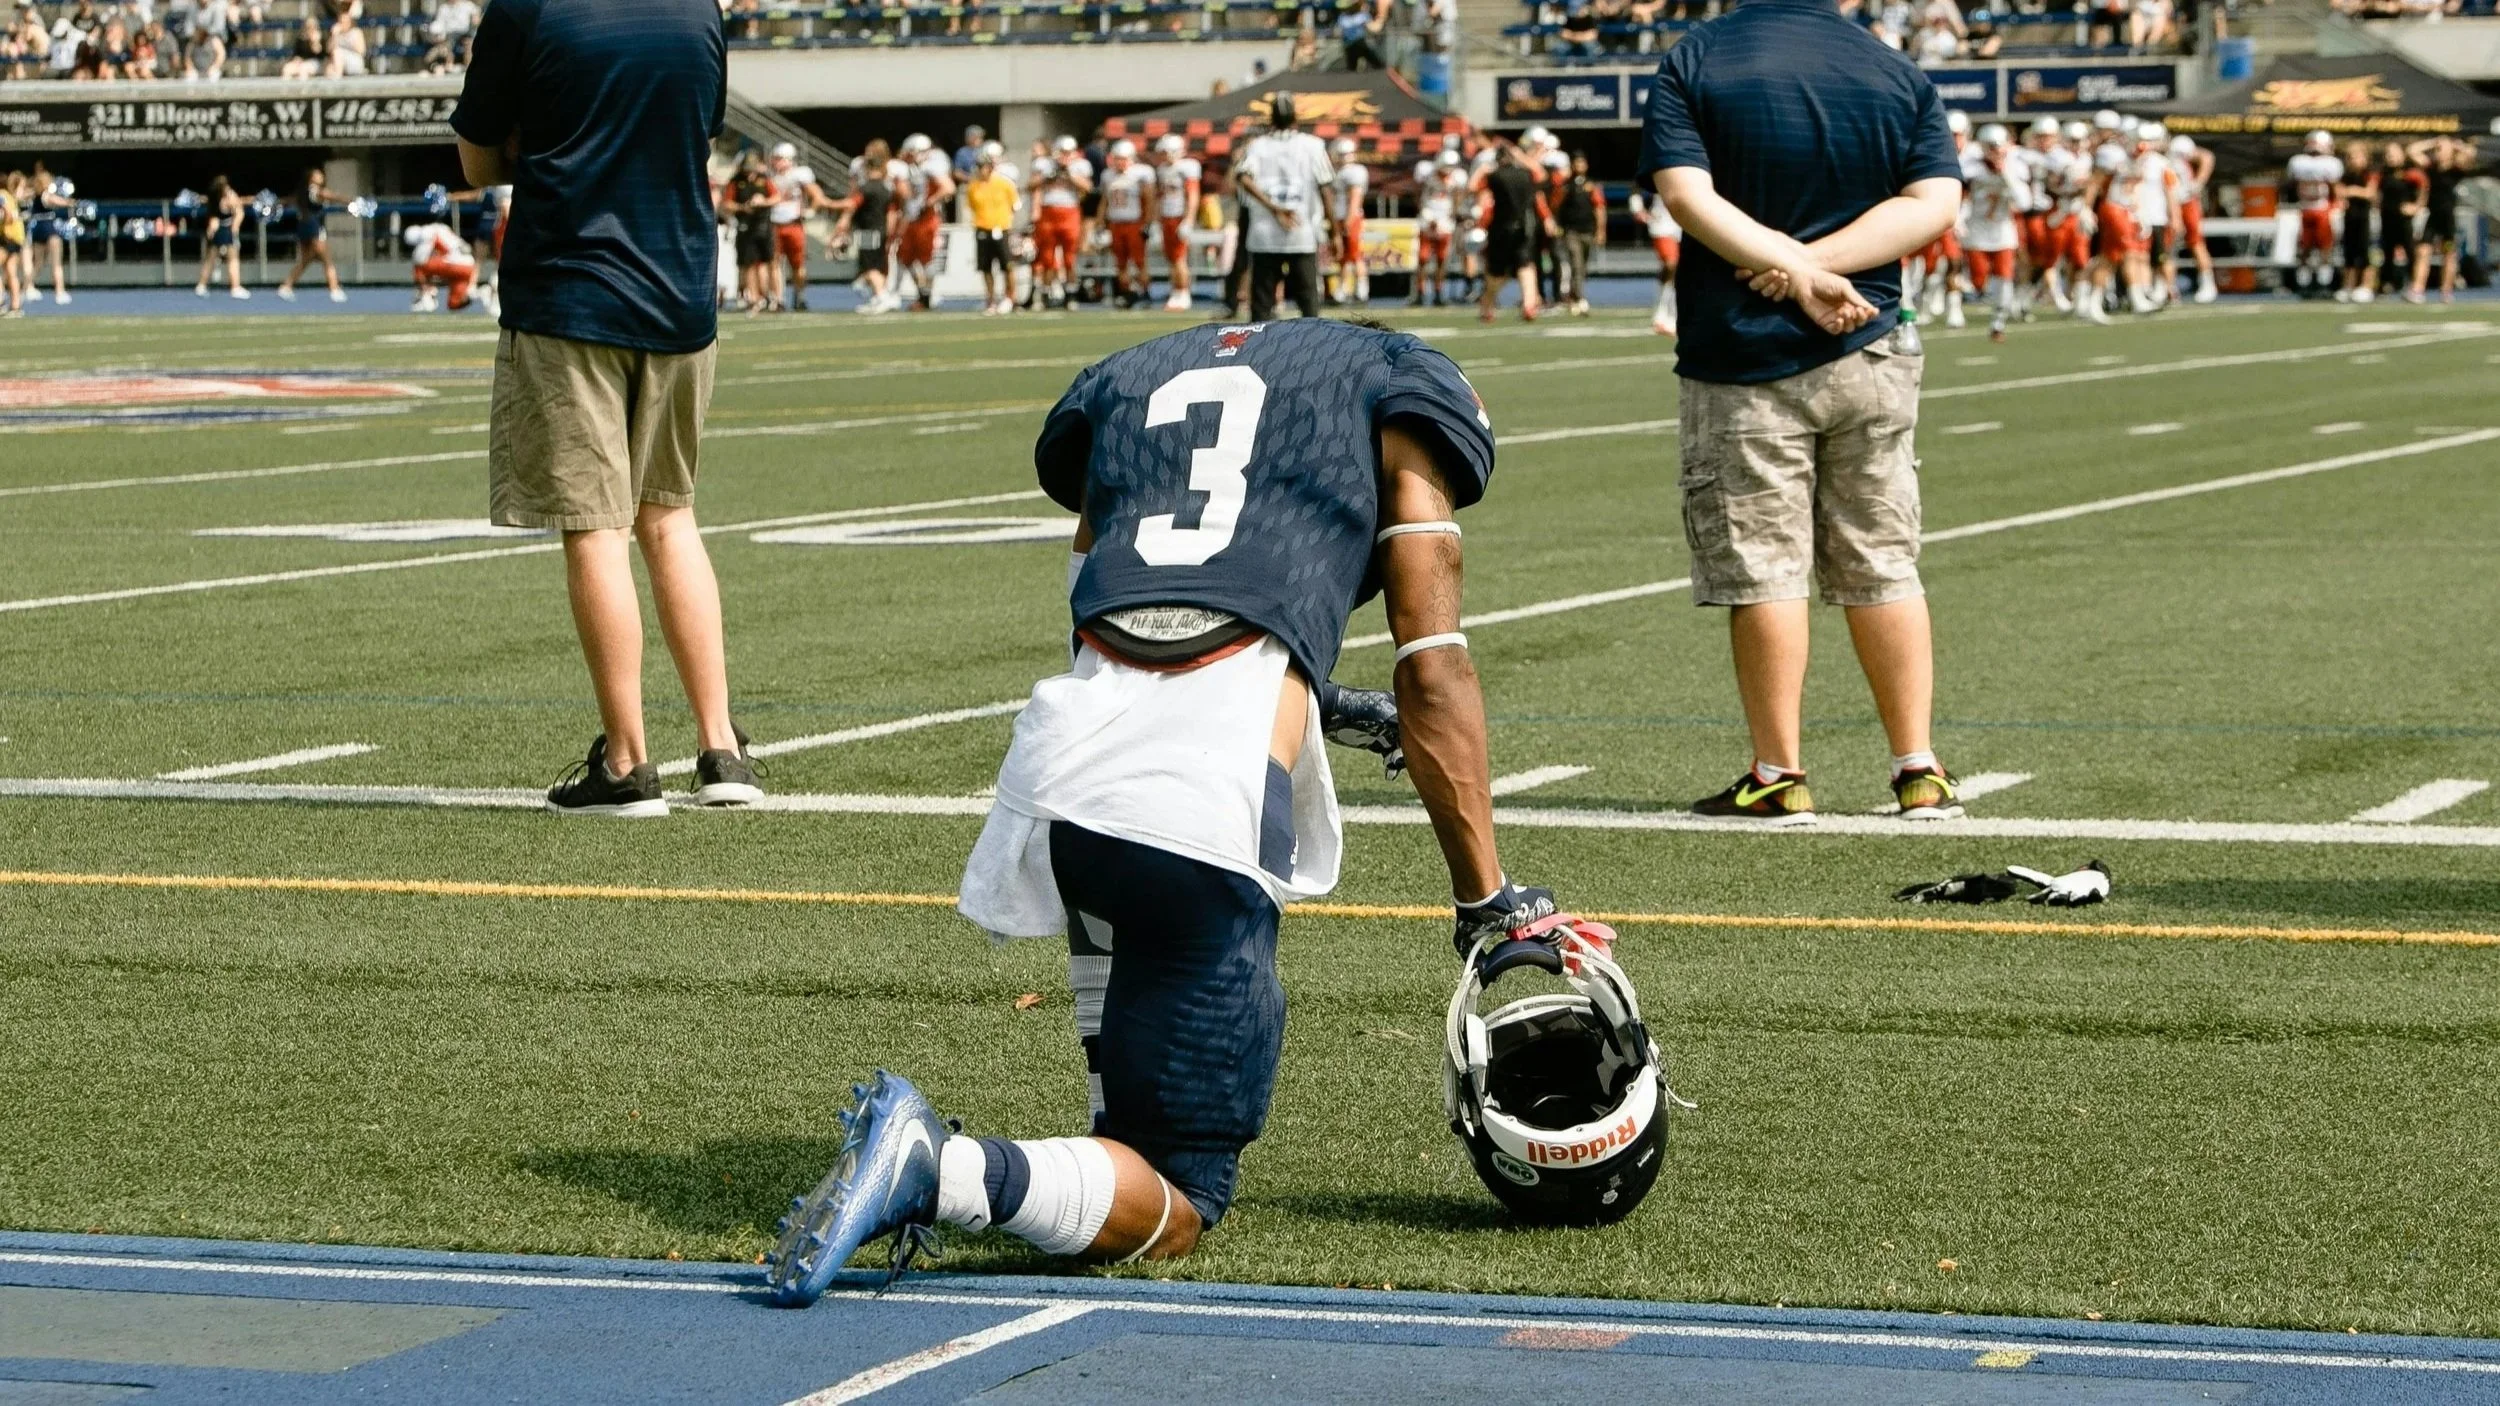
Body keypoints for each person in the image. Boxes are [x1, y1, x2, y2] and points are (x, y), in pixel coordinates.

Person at [764, 315, 1606, 1301]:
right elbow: (1433, 667)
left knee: (1123, 1136)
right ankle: (937, 1168)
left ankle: (1047, 1173)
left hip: (1066, 783)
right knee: (1183, 1194)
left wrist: (1319, 696)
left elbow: (1120, 602)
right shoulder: (1392, 382)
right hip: (1196, 823)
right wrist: (1486, 897)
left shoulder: (1130, 379)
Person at [1640, 0, 1968, 827]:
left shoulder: (1696, 58)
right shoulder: (1894, 69)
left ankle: (1778, 774)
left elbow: (1686, 197)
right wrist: (1818, 269)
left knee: (1765, 567)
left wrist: (1792, 269)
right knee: (1883, 559)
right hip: (1872, 342)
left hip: (1742, 354)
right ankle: (1918, 767)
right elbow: (1934, 203)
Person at [453, 0, 761, 816]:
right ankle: (723, 749)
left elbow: (476, 161)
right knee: (672, 516)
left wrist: (542, 141)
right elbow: (694, 136)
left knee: (596, 526)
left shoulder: (528, 7)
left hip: (571, 292)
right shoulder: (698, 8)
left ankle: (626, 762)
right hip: (680, 289)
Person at [1232, 90, 1333, 320]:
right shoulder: (1312, 145)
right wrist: (1335, 232)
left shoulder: (1258, 146)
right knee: (1308, 303)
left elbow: (1243, 177)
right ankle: (1313, 343)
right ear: (1296, 118)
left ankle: (1259, 345)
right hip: (1301, 232)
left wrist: (1274, 208)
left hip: (1264, 234)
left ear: (1271, 119)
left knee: (1261, 308)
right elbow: (1325, 189)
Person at [1474, 137, 1548, 323]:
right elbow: (1541, 174)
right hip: (1524, 227)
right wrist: (1522, 156)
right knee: (1526, 266)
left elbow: (1472, 187)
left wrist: (1481, 170)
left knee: (1496, 271)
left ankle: (1487, 306)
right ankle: (1529, 304)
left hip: (1500, 228)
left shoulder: (1494, 176)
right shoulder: (1525, 174)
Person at [834, 138, 897, 315]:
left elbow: (851, 204)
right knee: (877, 265)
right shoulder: (886, 188)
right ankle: (879, 297)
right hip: (881, 229)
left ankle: (882, 296)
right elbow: (891, 212)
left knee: (869, 267)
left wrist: (827, 203)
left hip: (868, 230)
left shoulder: (865, 188)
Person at [765, 142, 829, 312]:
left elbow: (817, 195)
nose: (775, 162)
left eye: (779, 158)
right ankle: (778, 299)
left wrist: (811, 211)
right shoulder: (770, 176)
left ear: (789, 159)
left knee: (798, 265)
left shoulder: (799, 174)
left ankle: (800, 296)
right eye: (775, 158)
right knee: (774, 263)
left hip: (794, 224)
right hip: (774, 224)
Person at [893, 133, 953, 312]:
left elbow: (948, 188)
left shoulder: (931, 165)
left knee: (926, 259)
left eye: (910, 152)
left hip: (926, 219)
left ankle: (927, 297)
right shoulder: (912, 168)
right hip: (913, 218)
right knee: (905, 257)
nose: (906, 155)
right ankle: (923, 294)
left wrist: (929, 202)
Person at [1029, 136, 1089, 310]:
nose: (1064, 156)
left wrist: (1069, 174)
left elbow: (1087, 187)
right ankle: (1045, 293)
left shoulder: (1080, 166)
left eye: (1067, 153)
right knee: (1047, 257)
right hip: (1048, 213)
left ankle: (1071, 294)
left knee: (1070, 258)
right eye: (1062, 152)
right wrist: (1047, 177)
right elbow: (1030, 185)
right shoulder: (1044, 165)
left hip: (1070, 213)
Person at [2408, 136, 2470, 304]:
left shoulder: (2456, 170)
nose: (2438, 152)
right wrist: (2432, 142)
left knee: (2448, 254)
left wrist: (2456, 145)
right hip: (2432, 218)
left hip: (2447, 220)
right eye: (2437, 149)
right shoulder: (2432, 168)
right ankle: (2417, 289)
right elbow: (2412, 151)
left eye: (2441, 149)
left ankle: (2446, 291)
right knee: (2423, 251)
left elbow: (2470, 154)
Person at [274, 166, 346, 303]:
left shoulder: (302, 192)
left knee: (305, 260)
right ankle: (334, 289)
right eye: (317, 175)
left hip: (302, 228)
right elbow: (333, 197)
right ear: (311, 178)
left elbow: (288, 201)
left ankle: (286, 286)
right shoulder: (318, 191)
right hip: (314, 227)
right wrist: (351, 201)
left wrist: (275, 203)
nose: (321, 177)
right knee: (327, 260)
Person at [2285, 130, 2343, 299]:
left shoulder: (2303, 162)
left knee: (2322, 248)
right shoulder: (2302, 162)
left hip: (2320, 208)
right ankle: (2308, 283)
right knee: (2306, 248)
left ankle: (2320, 283)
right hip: (2307, 208)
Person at [1099, 139, 1152, 308]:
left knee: (1139, 261)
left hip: (1134, 223)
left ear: (1131, 158)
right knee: (1120, 262)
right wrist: (1100, 223)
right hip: (1115, 223)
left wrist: (1148, 223)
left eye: (1123, 158)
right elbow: (1104, 201)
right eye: (1117, 158)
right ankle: (1127, 293)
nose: (1120, 162)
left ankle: (1144, 292)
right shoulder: (1108, 175)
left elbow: (1149, 200)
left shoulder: (1140, 174)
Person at [1152, 133, 1201, 311]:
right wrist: (1156, 221)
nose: (1163, 155)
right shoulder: (1163, 170)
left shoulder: (1187, 167)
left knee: (1179, 258)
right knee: (1171, 258)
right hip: (1166, 217)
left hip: (1179, 216)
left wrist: (1188, 220)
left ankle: (1184, 293)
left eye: (1165, 152)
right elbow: (1159, 197)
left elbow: (1193, 195)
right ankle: (1176, 291)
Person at [2371, 140, 2423, 302]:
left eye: (2394, 154)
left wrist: (2416, 206)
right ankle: (2385, 285)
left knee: (2410, 252)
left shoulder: (2410, 173)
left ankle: (2414, 286)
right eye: (2388, 154)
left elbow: (2424, 188)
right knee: (2386, 253)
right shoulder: (2383, 173)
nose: (2391, 157)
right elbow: (2375, 192)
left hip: (2404, 220)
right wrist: (2376, 204)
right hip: (2387, 218)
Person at [2168, 132, 2216, 304]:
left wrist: (2199, 182)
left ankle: (2208, 283)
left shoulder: (2178, 147)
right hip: (2166, 203)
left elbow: (2207, 157)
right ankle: (2168, 288)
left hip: (2186, 200)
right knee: (2166, 247)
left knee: (2195, 242)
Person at [1627, 180, 1679, 334]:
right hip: (1662, 224)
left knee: (1680, 270)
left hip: (1685, 225)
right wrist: (1637, 209)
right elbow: (1637, 184)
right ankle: (1661, 311)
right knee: (1671, 264)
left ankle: (1671, 314)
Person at [1412, 147, 1462, 307]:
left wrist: (1450, 217)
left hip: (1445, 221)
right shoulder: (1427, 173)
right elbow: (1418, 195)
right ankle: (1420, 292)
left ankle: (1439, 292)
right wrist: (1426, 215)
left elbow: (1457, 199)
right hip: (1428, 218)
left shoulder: (1456, 178)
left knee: (1442, 259)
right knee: (1423, 258)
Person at [1554, 150, 1601, 317]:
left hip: (1587, 230)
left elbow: (1599, 208)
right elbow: (1557, 206)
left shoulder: (1591, 185)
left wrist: (1600, 230)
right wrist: (1558, 225)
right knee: (1576, 264)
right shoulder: (1566, 186)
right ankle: (1580, 298)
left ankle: (1574, 294)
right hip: (1571, 231)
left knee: (1583, 266)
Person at [1326, 136, 1369, 306]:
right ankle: (1343, 289)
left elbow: (1355, 199)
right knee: (1342, 256)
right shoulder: (1337, 172)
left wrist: (1349, 220)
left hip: (1349, 217)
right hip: (1339, 217)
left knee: (1355, 254)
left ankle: (1361, 289)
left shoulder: (1355, 172)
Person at [2332, 140, 2376, 302]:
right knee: (2349, 253)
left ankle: (2366, 285)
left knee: (2364, 253)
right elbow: (2339, 191)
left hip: (2364, 218)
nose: (2354, 160)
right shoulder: (2346, 175)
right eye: (2351, 157)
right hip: (2349, 217)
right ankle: (2348, 286)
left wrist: (2352, 191)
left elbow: (2370, 193)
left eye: (2357, 156)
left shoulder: (2369, 174)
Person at [192, 175, 248, 300]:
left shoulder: (215, 197)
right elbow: (239, 212)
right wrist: (234, 228)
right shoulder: (227, 197)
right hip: (225, 229)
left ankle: (201, 286)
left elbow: (234, 213)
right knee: (232, 258)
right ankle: (235, 287)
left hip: (220, 228)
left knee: (211, 258)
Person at [24, 162, 72, 305]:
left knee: (38, 262)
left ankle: (27, 287)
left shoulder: (34, 195)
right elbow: (58, 201)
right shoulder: (46, 195)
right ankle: (59, 292)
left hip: (37, 230)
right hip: (49, 228)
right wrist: (70, 202)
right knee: (56, 263)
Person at [405, 219, 478, 312]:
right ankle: (478, 294)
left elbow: (420, 260)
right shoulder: (441, 228)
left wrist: (429, 280)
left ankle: (426, 295)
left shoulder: (427, 233)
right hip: (469, 266)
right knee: (453, 304)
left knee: (418, 265)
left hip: (457, 265)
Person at [0, 172, 23, 318]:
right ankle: (15, 306)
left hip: (8, 237)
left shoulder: (1, 195)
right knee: (11, 272)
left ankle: (1, 302)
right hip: (17, 237)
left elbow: (7, 215)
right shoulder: (8, 195)